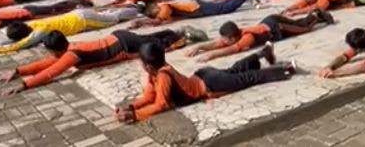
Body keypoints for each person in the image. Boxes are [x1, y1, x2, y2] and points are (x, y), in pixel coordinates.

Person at [115, 42, 296, 123]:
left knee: (247, 78)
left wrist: (136, 116)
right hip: (204, 76)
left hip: (210, 84)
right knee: (234, 72)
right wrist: (131, 107)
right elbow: (149, 96)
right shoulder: (156, 72)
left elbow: (161, 104)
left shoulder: (162, 76)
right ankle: (261, 54)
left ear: (147, 65)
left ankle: (287, 69)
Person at [0, 27, 208, 95]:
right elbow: (48, 64)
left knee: (154, 45)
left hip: (123, 43)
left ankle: (186, 35)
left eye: (50, 51)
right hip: (118, 39)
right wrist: (17, 71)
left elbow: (51, 72)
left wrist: (25, 84)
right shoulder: (69, 50)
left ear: (56, 49)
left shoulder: (72, 55)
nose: (49, 56)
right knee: (151, 40)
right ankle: (175, 32)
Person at [0, 5, 142, 56]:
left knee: (113, 19)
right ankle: (129, 7)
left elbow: (20, 44)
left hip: (83, 18)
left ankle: (137, 8)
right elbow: (13, 40)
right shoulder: (31, 26)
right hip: (78, 15)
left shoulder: (40, 31)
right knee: (107, 16)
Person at [187, 11, 335, 62]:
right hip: (270, 22)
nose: (223, 42)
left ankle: (317, 14)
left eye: (226, 39)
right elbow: (218, 43)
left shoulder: (248, 37)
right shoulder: (237, 34)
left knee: (304, 28)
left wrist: (212, 55)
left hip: (278, 27)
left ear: (233, 37)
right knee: (299, 23)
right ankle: (316, 16)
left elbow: (233, 49)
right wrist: (200, 46)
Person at [0, 0, 92, 35]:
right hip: (28, 10)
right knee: (54, 8)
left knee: (56, 10)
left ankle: (78, 2)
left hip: (32, 12)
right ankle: (75, 2)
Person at [131, 0, 247, 28]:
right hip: (194, 6)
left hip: (195, 8)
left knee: (222, 9)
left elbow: (160, 19)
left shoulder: (163, 7)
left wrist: (142, 23)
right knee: (219, 6)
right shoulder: (159, 6)